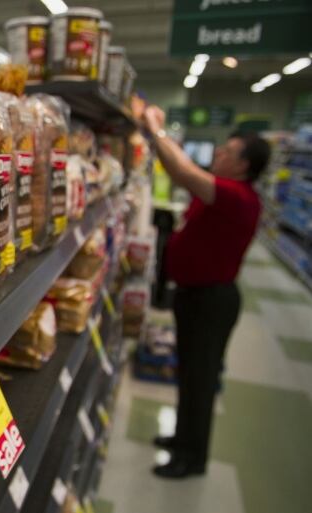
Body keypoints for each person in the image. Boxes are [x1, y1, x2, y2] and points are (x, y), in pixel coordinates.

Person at [142, 105, 271, 479]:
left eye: (227, 153)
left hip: (211, 300)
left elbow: (181, 171)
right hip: (195, 296)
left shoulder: (238, 197)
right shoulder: (224, 190)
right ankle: (183, 439)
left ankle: (191, 459)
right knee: (189, 374)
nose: (218, 154)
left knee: (200, 380)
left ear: (244, 166)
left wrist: (154, 129)